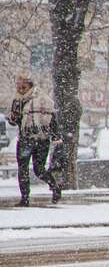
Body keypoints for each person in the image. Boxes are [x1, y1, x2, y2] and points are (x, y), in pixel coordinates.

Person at [8, 75, 60, 206]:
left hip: (40, 138)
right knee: (23, 168)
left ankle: (55, 187)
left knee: (39, 170)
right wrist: (12, 118)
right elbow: (15, 121)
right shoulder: (17, 100)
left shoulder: (42, 100)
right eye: (18, 86)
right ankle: (25, 198)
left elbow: (51, 117)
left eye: (23, 86)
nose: (20, 89)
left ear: (30, 85)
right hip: (25, 138)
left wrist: (55, 135)